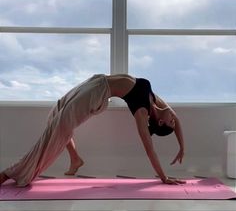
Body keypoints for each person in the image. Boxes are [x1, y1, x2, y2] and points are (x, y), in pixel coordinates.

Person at [0, 74, 185, 187]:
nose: (174, 119)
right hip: (96, 81)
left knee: (57, 130)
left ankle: (12, 172)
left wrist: (164, 177)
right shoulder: (154, 100)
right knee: (54, 117)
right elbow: (175, 118)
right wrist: (181, 147)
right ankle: (75, 159)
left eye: (172, 123)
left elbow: (149, 149)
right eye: (174, 122)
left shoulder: (142, 111)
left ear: (161, 123)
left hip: (96, 93)